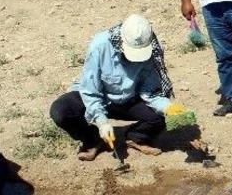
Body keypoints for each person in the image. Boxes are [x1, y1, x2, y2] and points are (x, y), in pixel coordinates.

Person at [50, 14, 175, 161]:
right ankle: (92, 139)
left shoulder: (153, 49)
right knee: (61, 111)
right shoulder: (100, 45)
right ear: (121, 41)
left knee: (160, 116)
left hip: (129, 99)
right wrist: (102, 121)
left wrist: (169, 107)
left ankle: (136, 137)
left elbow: (150, 92)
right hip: (100, 96)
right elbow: (90, 90)